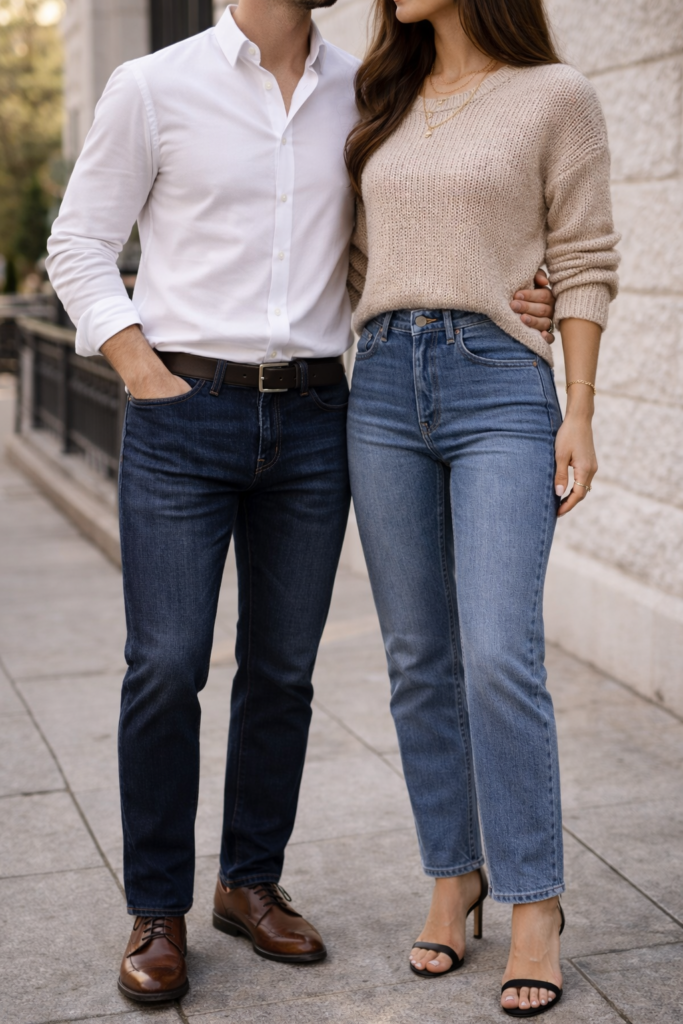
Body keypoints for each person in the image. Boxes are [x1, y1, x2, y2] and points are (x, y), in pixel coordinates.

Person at [46, 0, 556, 1005]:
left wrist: (513, 280)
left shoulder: (367, 90)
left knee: (281, 671)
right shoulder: (153, 86)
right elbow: (78, 243)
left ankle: (247, 881)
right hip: (183, 413)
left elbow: (418, 219)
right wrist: (141, 366)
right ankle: (158, 907)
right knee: (166, 663)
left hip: (321, 417)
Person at [345, 0, 619, 1016]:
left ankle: (533, 904)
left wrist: (577, 411)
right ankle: (450, 874)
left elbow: (584, 255)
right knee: (417, 652)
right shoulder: (378, 99)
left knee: (498, 649)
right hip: (378, 386)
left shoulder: (556, 96)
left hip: (498, 383)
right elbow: (356, 260)